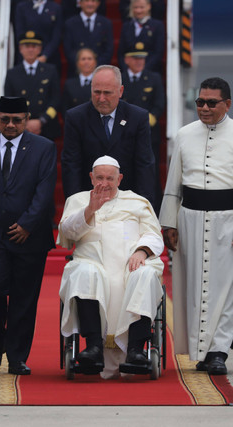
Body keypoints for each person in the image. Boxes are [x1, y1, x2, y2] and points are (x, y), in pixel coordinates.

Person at [159, 77, 233, 375]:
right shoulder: (184, 134)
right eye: (200, 102)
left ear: (227, 104)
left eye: (211, 103)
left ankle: (219, 350)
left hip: (228, 221)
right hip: (189, 218)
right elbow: (173, 183)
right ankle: (200, 349)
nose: (204, 108)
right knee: (193, 286)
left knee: (226, 289)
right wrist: (169, 222)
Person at [0, 96, 56, 376]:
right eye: (5, 119)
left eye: (17, 120)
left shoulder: (43, 148)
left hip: (29, 237)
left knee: (24, 298)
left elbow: (45, 191)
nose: (10, 125)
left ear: (26, 119)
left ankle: (17, 356)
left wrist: (27, 224)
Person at [58, 155, 164, 379]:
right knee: (84, 273)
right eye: (99, 178)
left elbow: (154, 235)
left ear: (120, 178)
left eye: (109, 178)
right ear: (90, 177)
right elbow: (67, 233)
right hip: (91, 262)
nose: (104, 183)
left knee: (144, 275)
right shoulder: (78, 200)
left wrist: (142, 251)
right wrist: (90, 209)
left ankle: (136, 349)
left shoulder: (137, 202)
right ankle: (94, 346)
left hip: (130, 264)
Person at [61, 64, 156, 205]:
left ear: (120, 91)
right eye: (96, 92)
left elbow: (144, 165)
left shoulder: (137, 117)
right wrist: (76, 204)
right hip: (88, 200)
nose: (101, 98)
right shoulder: (76, 118)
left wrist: (142, 205)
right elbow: (71, 165)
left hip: (127, 200)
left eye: (107, 93)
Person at [121, 46, 165, 212]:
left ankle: (153, 208)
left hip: (148, 133)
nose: (139, 62)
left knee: (149, 172)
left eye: (142, 58)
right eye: (135, 58)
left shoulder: (153, 78)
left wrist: (145, 123)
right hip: (124, 133)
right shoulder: (121, 78)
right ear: (127, 60)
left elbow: (159, 104)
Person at [4, 31, 61, 141]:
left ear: (40, 49)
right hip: (21, 127)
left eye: (34, 46)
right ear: (20, 49)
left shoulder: (51, 71)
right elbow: (9, 102)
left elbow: (56, 99)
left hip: (46, 126)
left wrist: (42, 120)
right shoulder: (12, 73)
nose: (31, 49)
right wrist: (24, 122)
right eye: (27, 46)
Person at [63, 0, 114, 75]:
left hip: (99, 71)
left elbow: (108, 49)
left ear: (98, 3)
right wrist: (82, 65)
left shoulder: (106, 23)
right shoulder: (70, 23)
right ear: (80, 3)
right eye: (86, 1)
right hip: (77, 72)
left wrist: (95, 66)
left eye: (93, 1)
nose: (90, 4)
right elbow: (68, 49)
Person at [14, 0, 63, 71]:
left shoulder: (56, 8)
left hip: (50, 58)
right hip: (26, 57)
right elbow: (19, 33)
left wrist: (45, 55)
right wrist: (30, 54)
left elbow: (56, 36)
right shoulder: (21, 7)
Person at [118, 0, 165, 73]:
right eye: (135, 7)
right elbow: (121, 53)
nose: (138, 11)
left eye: (142, 7)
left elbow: (158, 53)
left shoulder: (157, 26)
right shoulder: (126, 26)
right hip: (129, 72)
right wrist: (128, 70)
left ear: (149, 6)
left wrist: (142, 70)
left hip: (150, 72)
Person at [62, 47, 97, 115]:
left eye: (89, 59)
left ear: (95, 62)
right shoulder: (69, 84)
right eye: (83, 59)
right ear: (77, 63)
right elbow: (65, 109)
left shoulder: (101, 82)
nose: (86, 62)